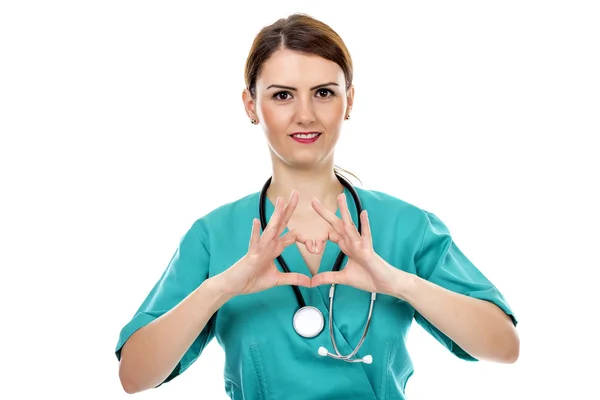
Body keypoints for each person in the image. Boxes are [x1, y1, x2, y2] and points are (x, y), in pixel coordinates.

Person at [115, 13, 519, 399]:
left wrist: (399, 283)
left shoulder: (405, 226)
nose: (305, 115)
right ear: (251, 105)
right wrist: (221, 288)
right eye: (283, 95)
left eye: (324, 93)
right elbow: (134, 376)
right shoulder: (213, 236)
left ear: (349, 101)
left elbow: (504, 345)